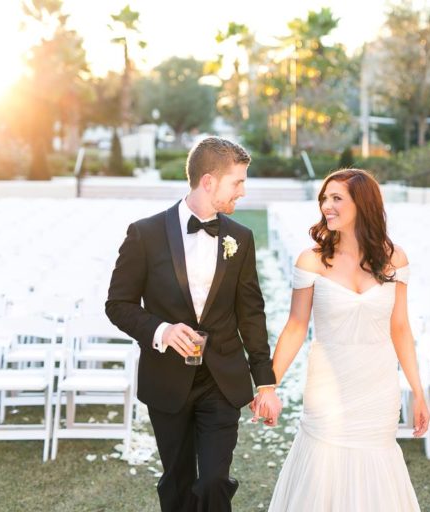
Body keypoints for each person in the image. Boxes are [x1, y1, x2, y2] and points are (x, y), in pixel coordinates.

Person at [105, 137, 282, 512]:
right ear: (208, 182)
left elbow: (251, 313)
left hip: (222, 379)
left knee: (215, 479)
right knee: (178, 480)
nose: (243, 191)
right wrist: (162, 331)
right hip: (167, 379)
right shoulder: (145, 234)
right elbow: (118, 305)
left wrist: (265, 382)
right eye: (238, 182)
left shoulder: (240, 238)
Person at [264, 168, 430, 511]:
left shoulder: (394, 258)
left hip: (378, 386)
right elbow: (296, 327)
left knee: (376, 470)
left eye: (336, 198)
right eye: (324, 198)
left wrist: (418, 391)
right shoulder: (310, 260)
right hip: (327, 385)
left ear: (362, 204)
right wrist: (269, 385)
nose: (327, 205)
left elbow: (400, 327)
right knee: (323, 467)